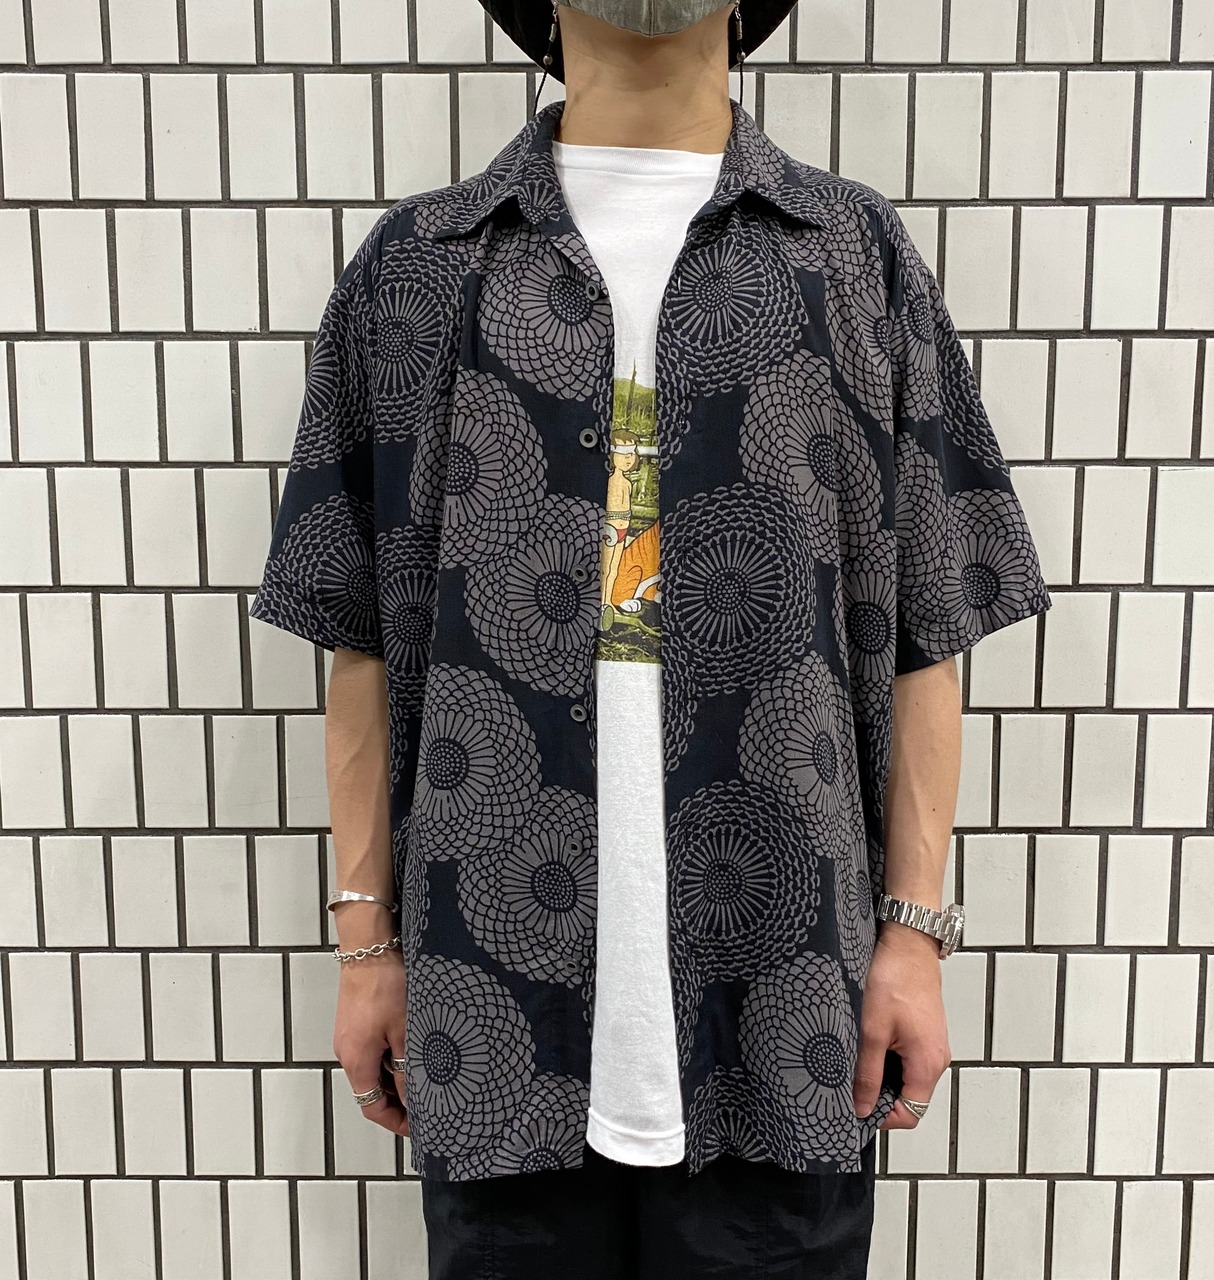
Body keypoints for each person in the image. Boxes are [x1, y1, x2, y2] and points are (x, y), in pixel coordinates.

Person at [247, 0, 1053, 1275]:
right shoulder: (417, 268)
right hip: (489, 1016)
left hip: (791, 1004)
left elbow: (926, 622)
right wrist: (365, 945)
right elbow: (357, 635)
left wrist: (911, 933)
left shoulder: (851, 256)